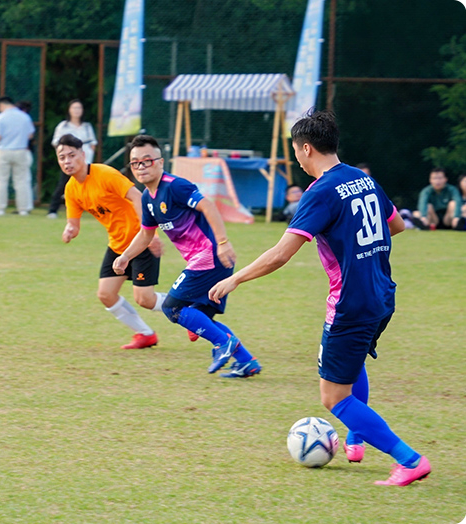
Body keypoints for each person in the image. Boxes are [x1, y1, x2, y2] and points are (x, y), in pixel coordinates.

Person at [209, 110, 431, 485]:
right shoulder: (362, 178)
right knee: (352, 362)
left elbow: (281, 254)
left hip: (350, 302)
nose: (297, 158)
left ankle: (409, 460)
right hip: (381, 292)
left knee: (333, 397)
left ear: (307, 148)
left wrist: (236, 279)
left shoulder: (320, 192)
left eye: (296, 150)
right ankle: (357, 439)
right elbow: (395, 224)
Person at [113, 135, 262, 378]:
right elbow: (146, 234)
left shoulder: (175, 186)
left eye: (147, 160)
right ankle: (246, 362)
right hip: (204, 260)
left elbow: (208, 206)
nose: (141, 167)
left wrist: (223, 243)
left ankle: (223, 343)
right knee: (200, 319)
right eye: (135, 163)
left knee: (172, 307)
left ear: (160, 162)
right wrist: (125, 256)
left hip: (210, 256)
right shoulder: (147, 198)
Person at [56, 134, 165, 349]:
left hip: (140, 241)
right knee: (106, 294)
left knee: (145, 299)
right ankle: (145, 334)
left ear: (83, 155)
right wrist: (69, 230)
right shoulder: (71, 189)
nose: (67, 161)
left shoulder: (105, 174)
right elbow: (73, 224)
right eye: (62, 157)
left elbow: (137, 197)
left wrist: (151, 234)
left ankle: (191, 309)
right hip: (117, 245)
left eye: (71, 155)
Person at [47, 100, 98, 219]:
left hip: (85, 160)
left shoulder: (87, 127)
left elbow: (93, 142)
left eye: (79, 108)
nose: (77, 111)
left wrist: (88, 154)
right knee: (63, 184)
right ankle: (53, 210)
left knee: (89, 184)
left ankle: (96, 209)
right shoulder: (63, 126)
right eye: (74, 108)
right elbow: (56, 143)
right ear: (69, 110)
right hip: (69, 161)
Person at [0, 96, 35, 216]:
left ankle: (0, 208)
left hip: (4, 151)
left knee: (1, 180)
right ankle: (23, 209)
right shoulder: (24, 117)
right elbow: (30, 135)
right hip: (21, 150)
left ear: (1, 105)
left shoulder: (0, 117)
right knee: (21, 180)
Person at [16, 100, 35, 212]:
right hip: (25, 152)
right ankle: (26, 205)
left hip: (24, 152)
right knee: (25, 179)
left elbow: (30, 136)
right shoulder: (27, 120)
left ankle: (26, 206)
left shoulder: (24, 120)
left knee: (23, 180)